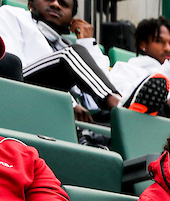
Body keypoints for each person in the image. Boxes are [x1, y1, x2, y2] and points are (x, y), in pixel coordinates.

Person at [0, 0, 146, 120]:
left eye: (64, 4)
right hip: (20, 87)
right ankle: (121, 106)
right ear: (30, 3)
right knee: (71, 54)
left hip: (53, 108)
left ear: (71, 19)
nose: (56, 4)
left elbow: (96, 87)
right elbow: (11, 65)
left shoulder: (64, 45)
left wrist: (88, 42)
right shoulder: (12, 14)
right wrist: (70, 103)